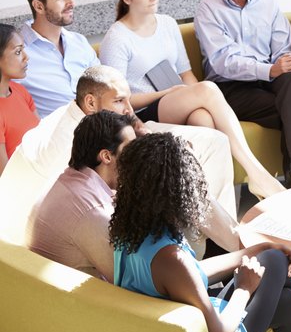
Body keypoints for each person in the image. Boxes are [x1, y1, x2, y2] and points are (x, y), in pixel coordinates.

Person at [110, 132, 291, 332]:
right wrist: (244, 289)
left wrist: (257, 249)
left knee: (284, 300)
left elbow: (189, 274)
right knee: (277, 262)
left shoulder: (131, 233)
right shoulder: (170, 258)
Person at [2, 65, 238, 259]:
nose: (128, 109)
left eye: (128, 100)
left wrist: (141, 132)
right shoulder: (69, 144)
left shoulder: (89, 119)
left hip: (84, 215)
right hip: (35, 238)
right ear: (91, 103)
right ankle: (220, 245)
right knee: (172, 173)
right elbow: (91, 197)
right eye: (118, 101)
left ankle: (220, 239)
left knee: (213, 141)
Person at [99, 0, 285, 196]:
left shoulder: (167, 23)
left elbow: (186, 73)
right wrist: (168, 93)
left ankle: (206, 200)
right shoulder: (117, 38)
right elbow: (117, 101)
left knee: (204, 118)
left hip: (174, 100)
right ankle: (256, 173)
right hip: (143, 112)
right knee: (207, 89)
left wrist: (194, 96)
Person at [194, 0, 291, 187]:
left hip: (271, 82)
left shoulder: (268, 4)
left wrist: (285, 63)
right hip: (229, 89)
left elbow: (283, 48)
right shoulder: (208, 10)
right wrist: (270, 69)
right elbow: (224, 62)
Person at [27, 111, 137, 282]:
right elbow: (130, 280)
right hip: (73, 303)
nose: (137, 157)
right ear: (106, 156)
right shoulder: (93, 210)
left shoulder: (69, 179)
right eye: (131, 150)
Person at [17, 0, 100, 117]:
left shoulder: (79, 42)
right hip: (62, 135)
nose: (71, 2)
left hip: (104, 125)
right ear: (39, 6)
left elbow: (105, 86)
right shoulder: (17, 54)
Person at [0, 23, 39, 176]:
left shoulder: (19, 91)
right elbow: (5, 175)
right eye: (18, 52)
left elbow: (43, 139)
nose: (26, 57)